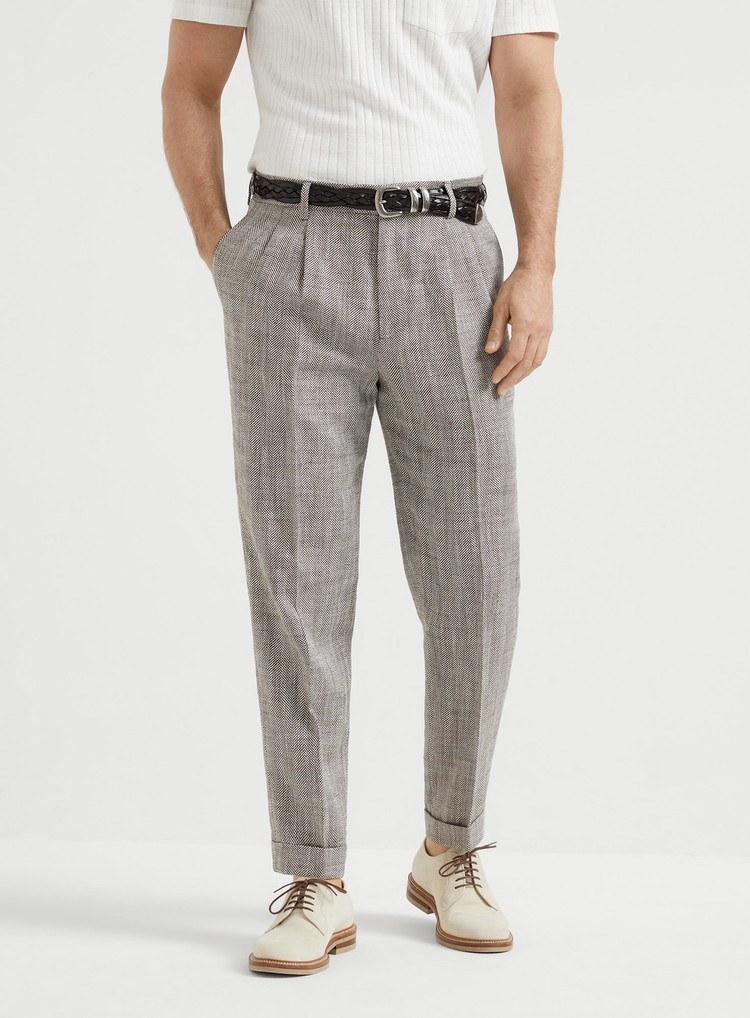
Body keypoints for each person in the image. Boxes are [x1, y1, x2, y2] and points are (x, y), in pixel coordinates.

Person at [161, 0, 562, 975]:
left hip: (450, 258)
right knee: (298, 582)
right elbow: (189, 85)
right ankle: (315, 874)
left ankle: (451, 848)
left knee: (476, 577)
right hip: (291, 247)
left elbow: (526, 88)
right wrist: (225, 251)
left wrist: (538, 266)